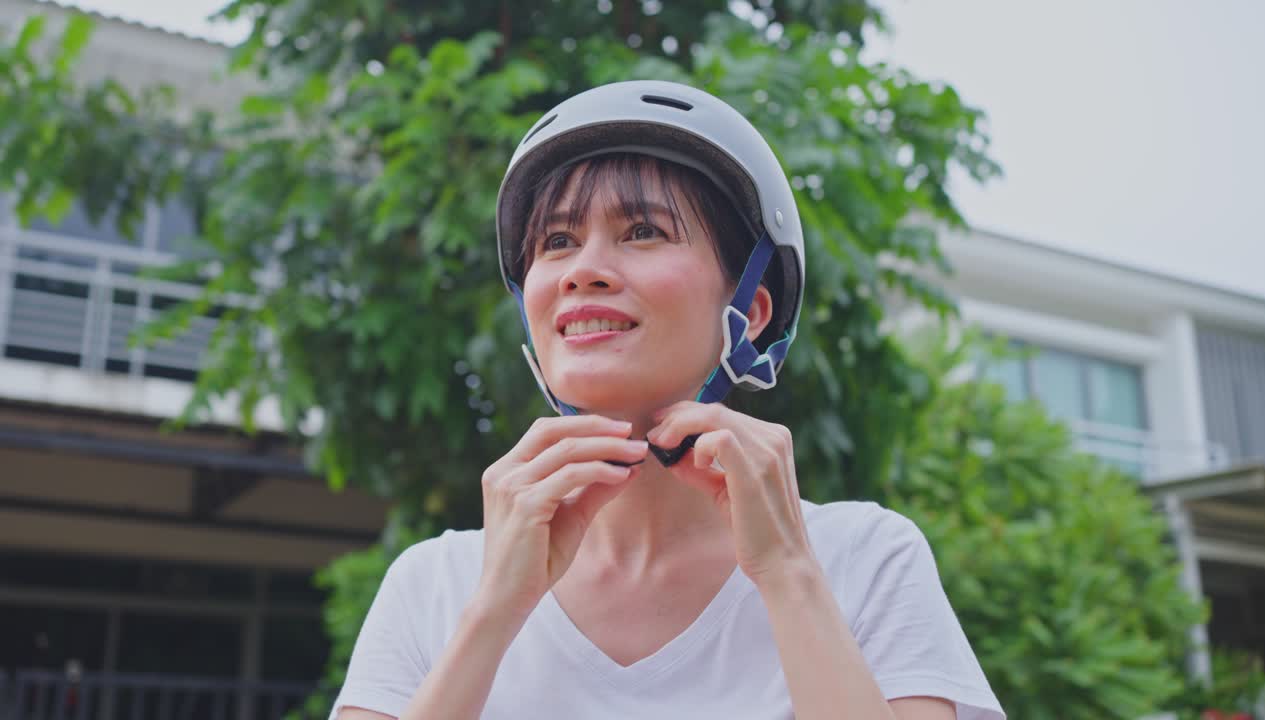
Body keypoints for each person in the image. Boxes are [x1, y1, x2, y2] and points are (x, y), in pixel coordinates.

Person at [330, 80, 1004, 720]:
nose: (581, 271)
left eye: (643, 231)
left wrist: (788, 575)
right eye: (557, 242)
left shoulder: (866, 558)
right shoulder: (434, 584)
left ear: (753, 313)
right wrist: (495, 611)